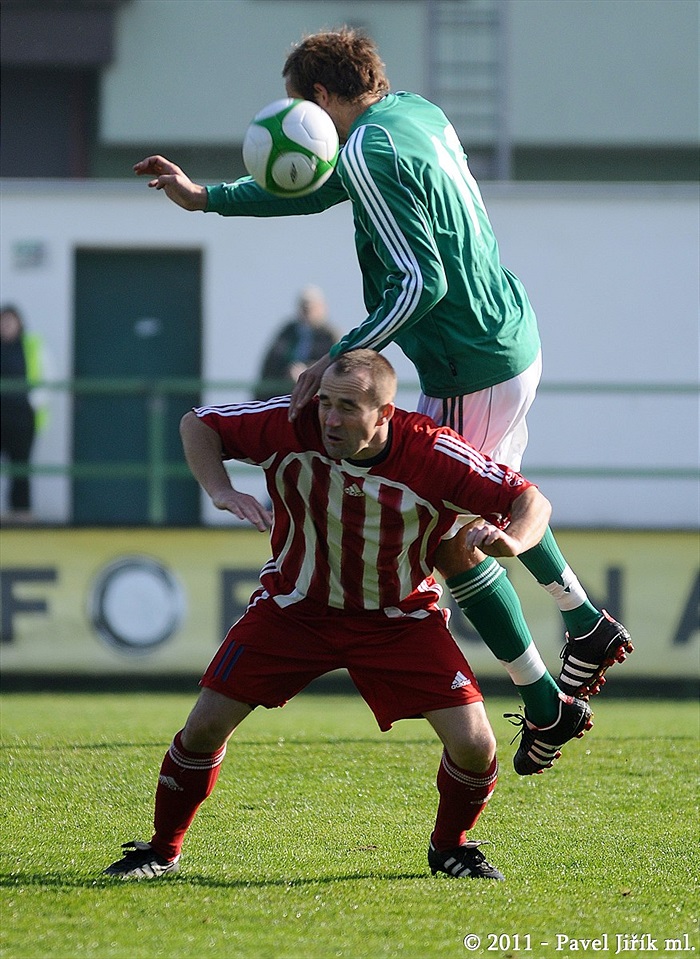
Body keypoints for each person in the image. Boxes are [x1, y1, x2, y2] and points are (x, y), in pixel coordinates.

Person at [132, 28, 633, 727]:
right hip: (505, 336)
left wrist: (338, 359)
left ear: (317, 98)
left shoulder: (369, 148)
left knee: (448, 540)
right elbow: (314, 187)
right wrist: (208, 197)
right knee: (484, 500)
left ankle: (546, 698)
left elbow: (419, 282)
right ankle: (583, 624)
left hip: (468, 359)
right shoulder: (415, 113)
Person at [103, 350, 592, 882]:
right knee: (203, 727)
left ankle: (451, 846)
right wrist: (220, 491)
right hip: (296, 609)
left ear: (384, 414)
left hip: (397, 619)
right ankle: (161, 849)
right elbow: (198, 424)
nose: (330, 419)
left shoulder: (432, 453)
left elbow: (531, 502)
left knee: (476, 745)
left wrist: (514, 539)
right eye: (326, 404)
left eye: (347, 408)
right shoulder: (293, 423)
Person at [0, 304, 47, 521]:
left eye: (10, 321)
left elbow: (47, 376)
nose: (6, 326)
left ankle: (21, 512)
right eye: (3, 321)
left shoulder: (31, 345)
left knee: (20, 467)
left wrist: (35, 402)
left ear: (19, 324)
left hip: (21, 417)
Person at [254, 285, 340, 400]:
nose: (307, 311)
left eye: (311, 307)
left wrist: (306, 370)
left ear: (323, 307)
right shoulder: (287, 331)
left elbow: (336, 365)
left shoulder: (330, 335)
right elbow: (269, 364)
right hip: (282, 394)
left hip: (316, 396)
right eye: (303, 306)